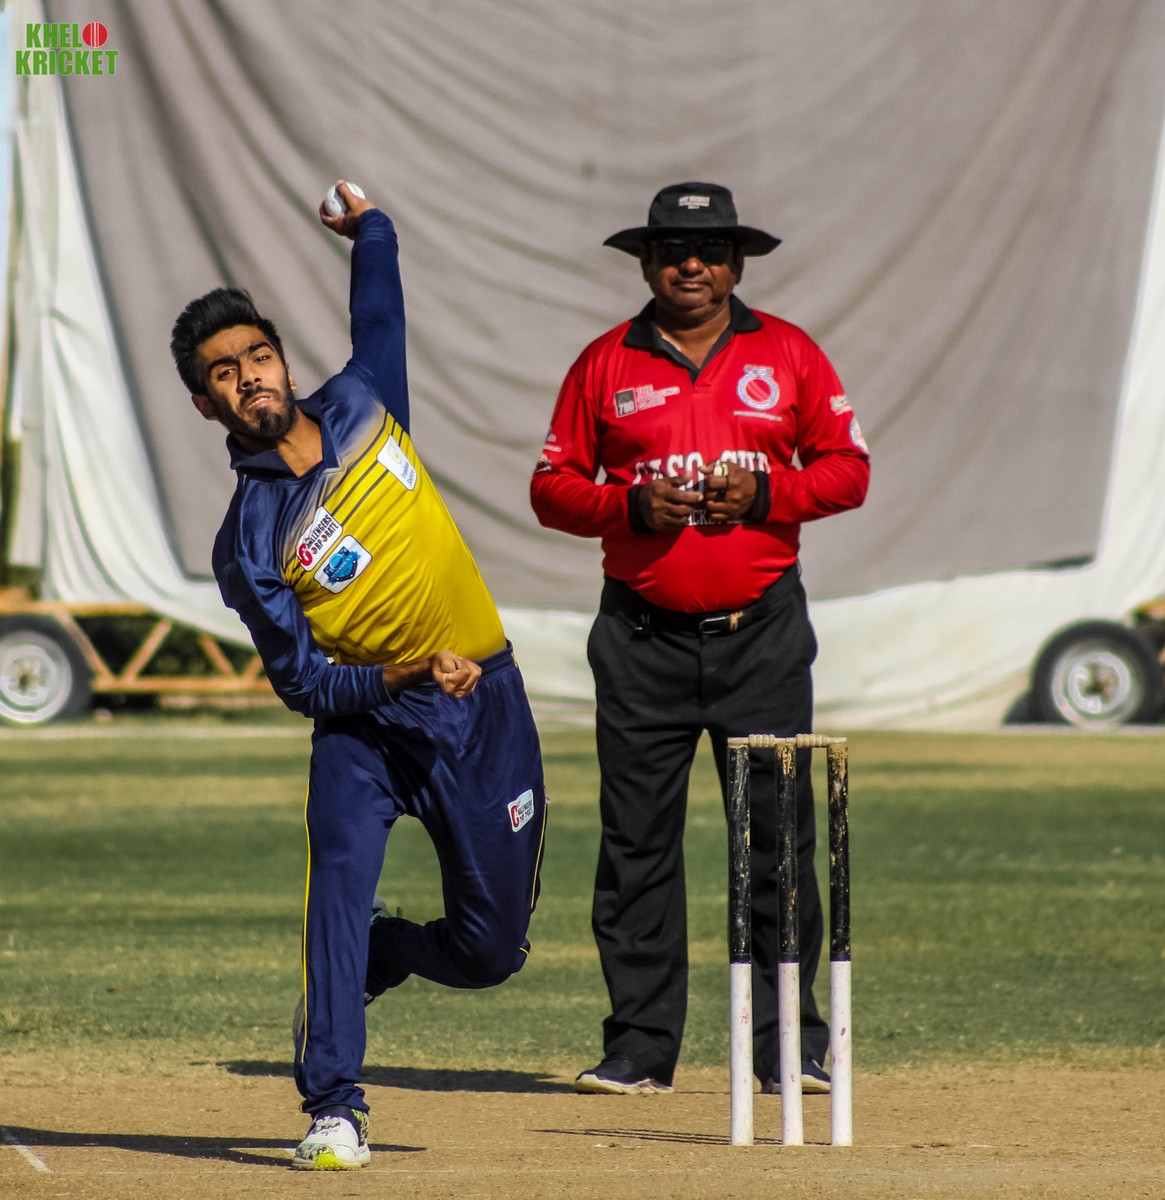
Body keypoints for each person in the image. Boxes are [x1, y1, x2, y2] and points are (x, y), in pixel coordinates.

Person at [171, 183, 548, 1170]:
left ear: (281, 361)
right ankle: (333, 1104)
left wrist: (370, 227)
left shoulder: (365, 400)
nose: (247, 378)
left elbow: (380, 310)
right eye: (223, 374)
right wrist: (400, 673)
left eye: (256, 356)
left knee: (491, 952)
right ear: (205, 403)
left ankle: (392, 952)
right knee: (335, 898)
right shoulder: (247, 542)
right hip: (366, 733)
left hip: (484, 709)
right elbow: (304, 685)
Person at [530, 181, 869, 1096]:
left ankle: (787, 1046)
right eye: (674, 251)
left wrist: (767, 494)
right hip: (640, 639)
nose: (692, 265)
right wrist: (628, 506)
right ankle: (641, 1050)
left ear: (737, 265)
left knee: (776, 842)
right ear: (645, 262)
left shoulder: (789, 353)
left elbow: (848, 471)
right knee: (637, 847)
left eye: (712, 250)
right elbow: (552, 487)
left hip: (762, 637)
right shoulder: (604, 362)